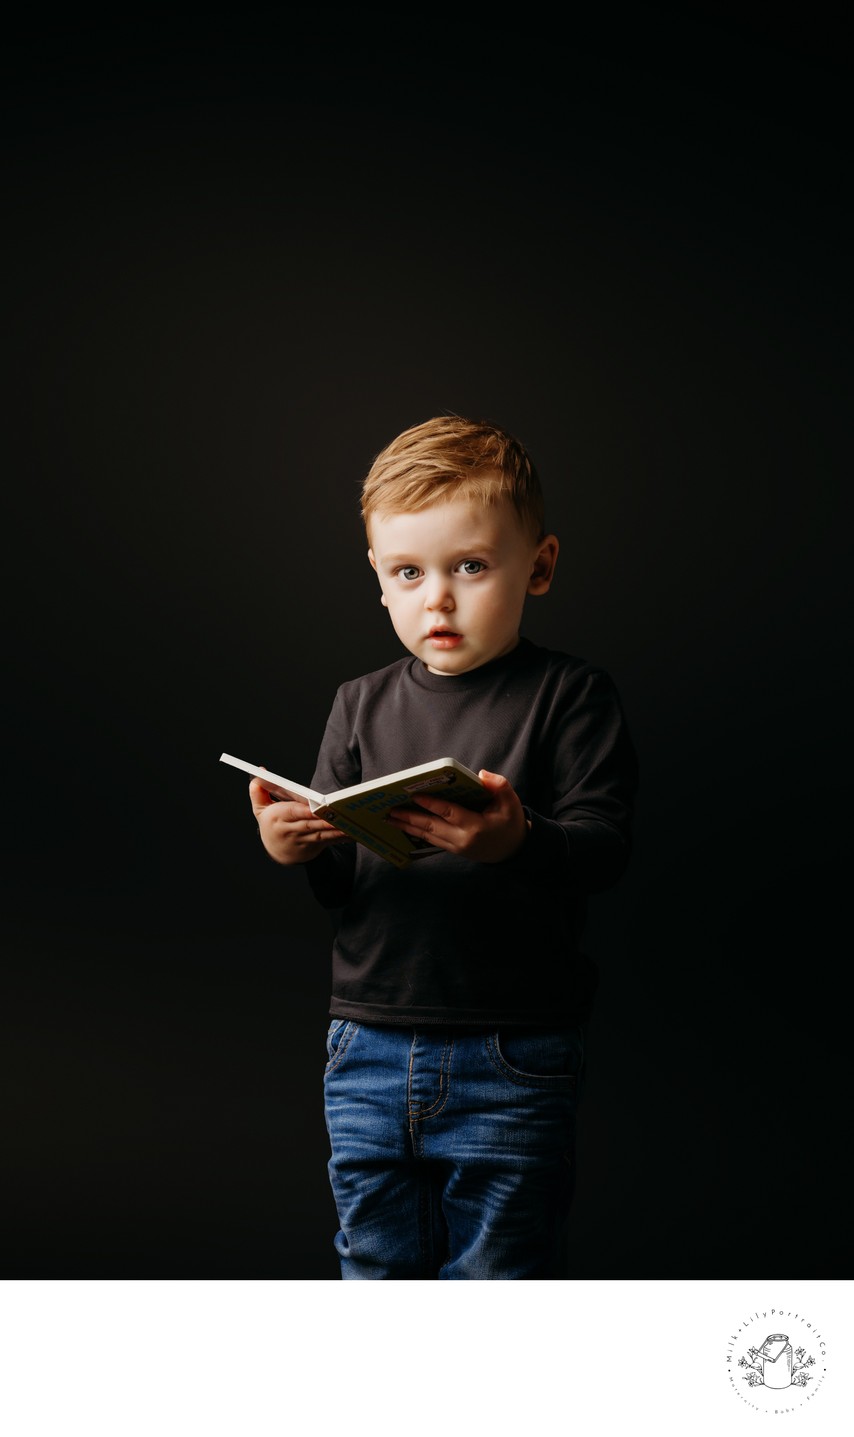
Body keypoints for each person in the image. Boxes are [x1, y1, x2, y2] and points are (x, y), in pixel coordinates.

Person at [249, 414, 638, 1279]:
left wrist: (519, 838)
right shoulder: (358, 704)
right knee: (375, 1260)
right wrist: (299, 846)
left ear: (538, 566)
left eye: (470, 565)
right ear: (379, 583)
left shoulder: (569, 697)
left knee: (500, 1273)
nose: (438, 598)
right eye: (408, 572)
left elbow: (605, 849)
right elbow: (345, 887)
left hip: (513, 1044)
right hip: (368, 1039)